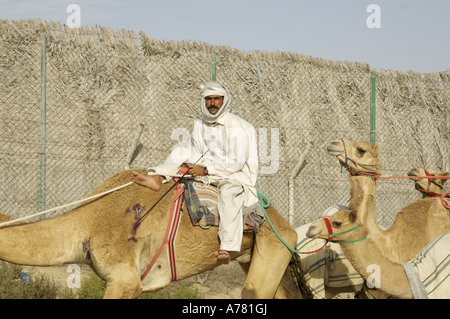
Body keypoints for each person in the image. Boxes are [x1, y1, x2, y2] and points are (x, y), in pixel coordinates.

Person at [132, 81, 259, 264]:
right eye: (208, 99)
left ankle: (228, 247)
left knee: (229, 195)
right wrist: (190, 165)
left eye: (217, 99)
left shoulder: (240, 127)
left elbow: (236, 163)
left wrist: (205, 169)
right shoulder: (200, 125)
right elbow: (196, 151)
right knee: (180, 150)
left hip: (234, 175)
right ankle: (158, 177)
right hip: (207, 172)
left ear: (225, 101)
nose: (212, 103)